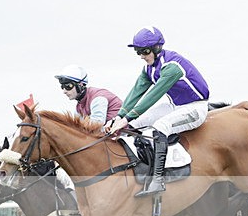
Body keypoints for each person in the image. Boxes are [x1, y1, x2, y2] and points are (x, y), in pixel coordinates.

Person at [105, 27, 210, 197]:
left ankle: (158, 179)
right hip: (175, 106)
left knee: (160, 126)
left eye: (144, 51)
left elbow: (153, 96)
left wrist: (126, 118)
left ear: (157, 48)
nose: (141, 56)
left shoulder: (172, 66)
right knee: (135, 124)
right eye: (138, 52)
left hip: (195, 108)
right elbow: (136, 92)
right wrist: (118, 117)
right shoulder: (148, 68)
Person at [54, 65, 123, 126]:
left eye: (68, 86)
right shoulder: (79, 106)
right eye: (62, 87)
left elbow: (96, 126)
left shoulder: (98, 99)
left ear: (80, 84)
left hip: (125, 133)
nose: (64, 91)